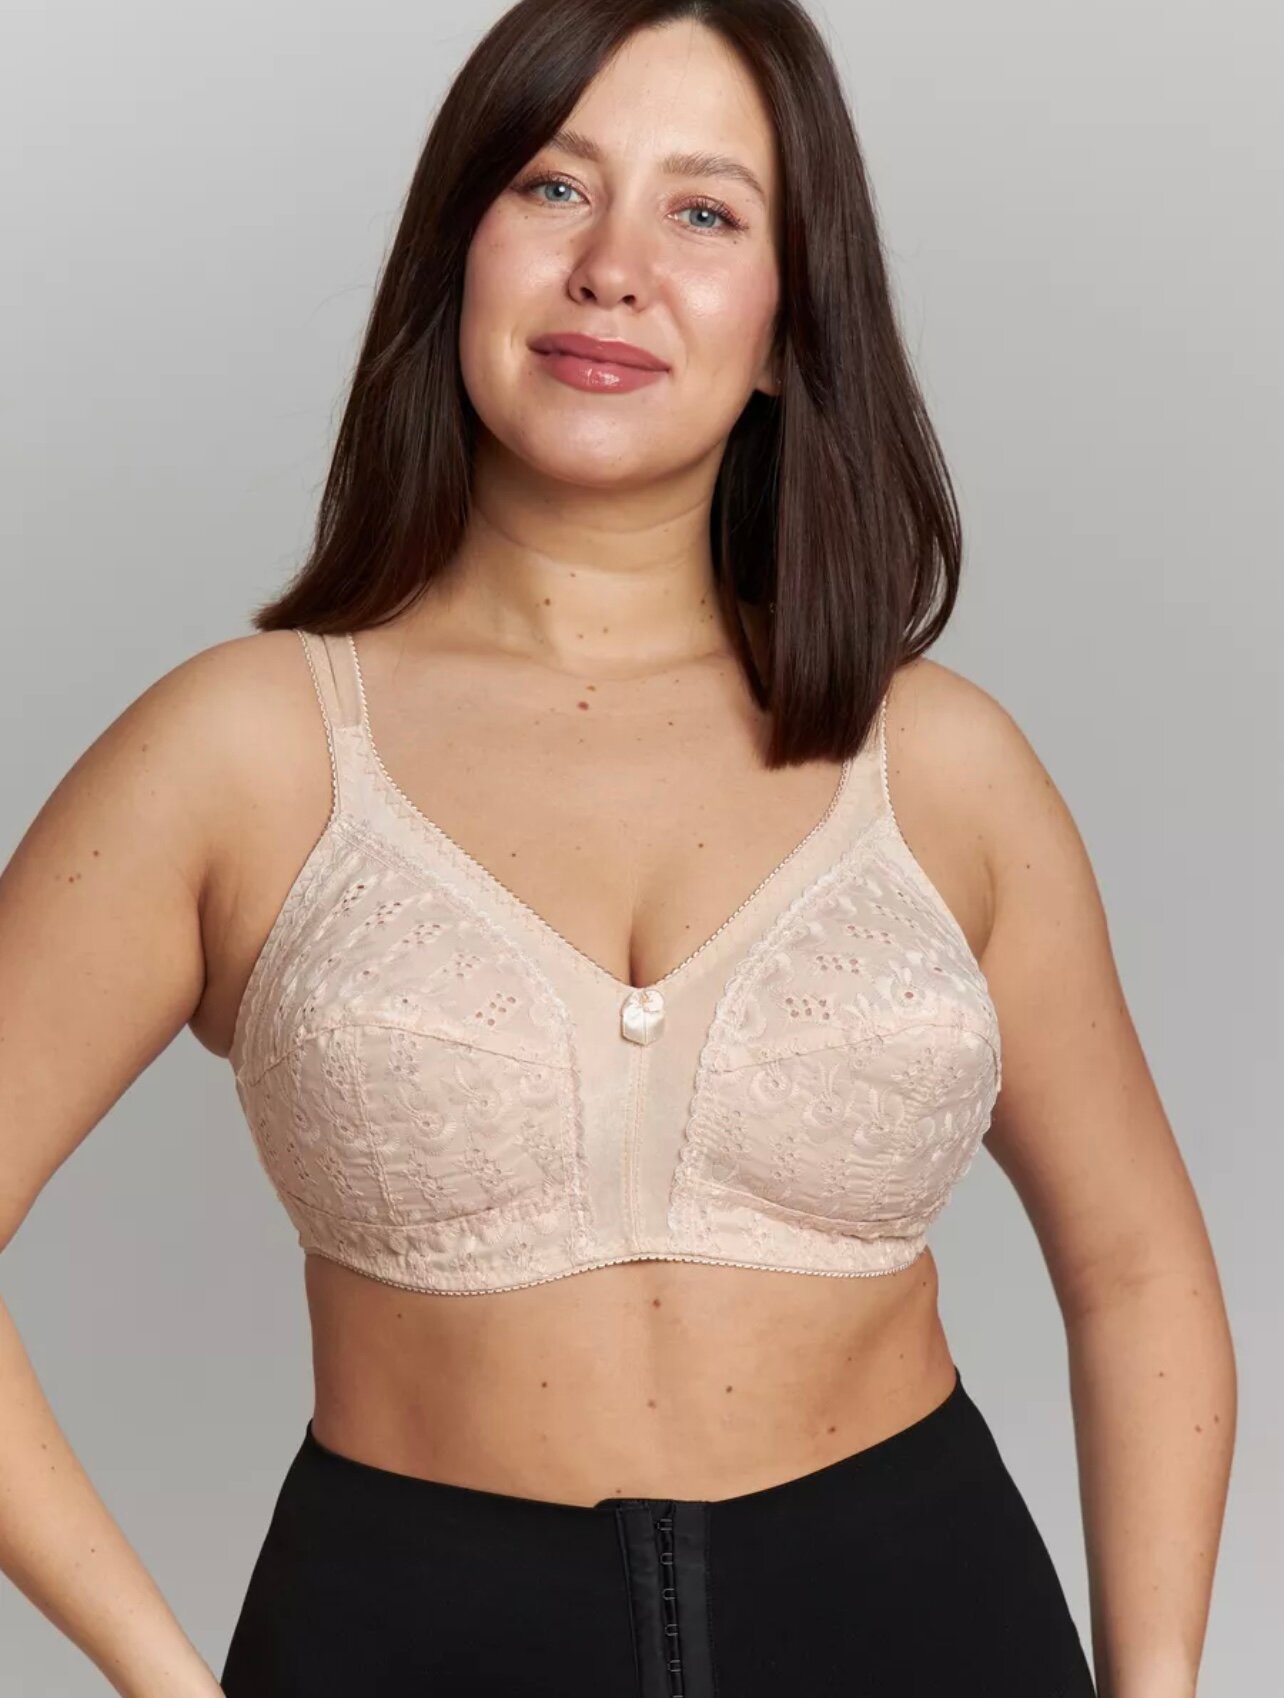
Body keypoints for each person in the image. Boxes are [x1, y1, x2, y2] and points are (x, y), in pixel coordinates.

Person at [0, 1, 1235, 1694]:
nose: (613, 271)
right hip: (405, 1637)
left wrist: (1156, 1686)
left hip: (931, 1619)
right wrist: (163, 1681)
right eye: (555, 187)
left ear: (791, 325)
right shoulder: (240, 752)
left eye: (705, 211)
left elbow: (1138, 1263)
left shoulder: (944, 766)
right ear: (460, 254)